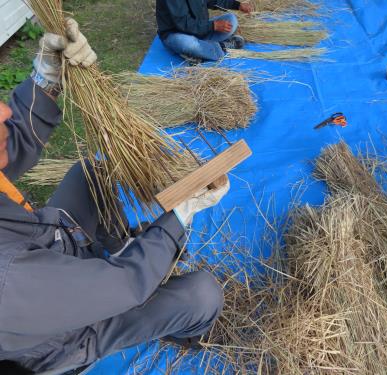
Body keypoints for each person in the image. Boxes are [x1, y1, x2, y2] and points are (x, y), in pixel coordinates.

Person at [0, 18, 228, 374]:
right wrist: (181, 213)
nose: (3, 112)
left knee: (90, 173)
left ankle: (119, 249)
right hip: (60, 334)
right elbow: (122, 285)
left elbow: (11, 143)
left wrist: (45, 78)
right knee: (202, 295)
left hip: (47, 254)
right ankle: (183, 330)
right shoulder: (6, 284)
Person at [156, 0, 253, 62]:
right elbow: (183, 23)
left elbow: (213, 1)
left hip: (200, 29)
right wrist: (212, 26)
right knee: (188, 44)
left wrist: (237, 5)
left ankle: (198, 53)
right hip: (176, 34)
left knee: (231, 20)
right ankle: (222, 47)